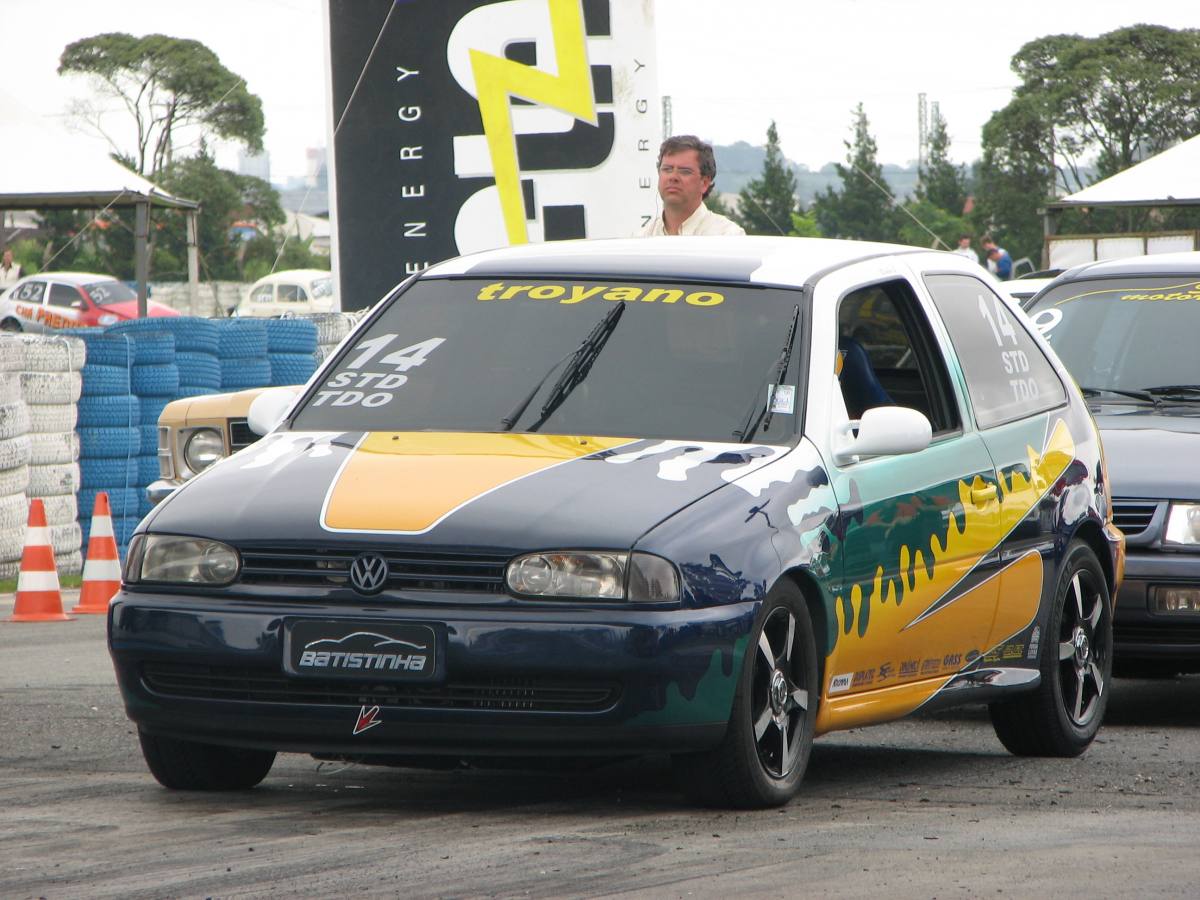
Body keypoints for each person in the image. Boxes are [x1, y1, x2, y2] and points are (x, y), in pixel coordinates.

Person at [637, 135, 745, 236]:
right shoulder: (642, 238)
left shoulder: (727, 235)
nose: (673, 177)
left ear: (704, 183)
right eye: (667, 169)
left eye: (685, 171)